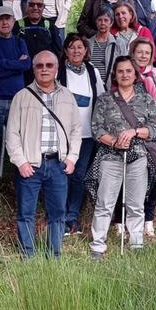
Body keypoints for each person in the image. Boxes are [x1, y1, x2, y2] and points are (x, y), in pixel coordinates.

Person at [6, 51, 81, 258]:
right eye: (40, 65)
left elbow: (76, 129)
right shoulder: (21, 97)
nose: (45, 69)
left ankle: (54, 255)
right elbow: (12, 133)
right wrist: (20, 162)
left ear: (57, 69)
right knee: (25, 213)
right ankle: (28, 255)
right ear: (34, 69)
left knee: (57, 214)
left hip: (58, 164)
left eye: (49, 65)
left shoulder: (67, 96)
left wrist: (72, 157)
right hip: (31, 164)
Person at [87, 56, 156, 256]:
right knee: (104, 203)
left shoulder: (146, 98)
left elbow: (155, 129)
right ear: (115, 75)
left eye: (129, 71)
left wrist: (134, 132)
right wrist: (113, 141)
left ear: (135, 74)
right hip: (110, 157)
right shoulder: (105, 99)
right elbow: (96, 129)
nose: (125, 75)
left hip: (137, 157)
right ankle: (98, 246)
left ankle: (136, 243)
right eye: (120, 71)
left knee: (136, 204)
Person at [0, 6, 32, 192]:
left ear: (13, 21)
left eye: (8, 18)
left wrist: (1, 63)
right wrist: (14, 64)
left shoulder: (20, 42)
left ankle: (21, 184)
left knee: (20, 144)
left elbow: (26, 65)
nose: (4, 22)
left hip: (17, 100)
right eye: (0, 19)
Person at [58, 34, 105, 235]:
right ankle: (58, 215)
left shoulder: (92, 71)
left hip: (86, 134)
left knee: (78, 175)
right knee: (61, 173)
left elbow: (102, 98)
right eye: (72, 47)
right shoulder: (58, 71)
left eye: (80, 47)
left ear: (86, 50)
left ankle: (72, 217)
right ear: (66, 51)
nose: (76, 51)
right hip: (62, 133)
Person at [130, 37, 156, 236]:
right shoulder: (125, 73)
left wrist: (154, 113)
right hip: (130, 132)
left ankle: (148, 219)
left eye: (147, 52)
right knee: (128, 177)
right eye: (139, 52)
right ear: (133, 53)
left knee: (152, 177)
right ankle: (122, 220)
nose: (143, 56)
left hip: (153, 133)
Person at [21, 0, 59, 85]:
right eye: (31, 4)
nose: (35, 8)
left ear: (43, 7)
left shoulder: (50, 26)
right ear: (26, 5)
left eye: (39, 5)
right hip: (23, 76)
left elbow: (58, 52)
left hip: (44, 75)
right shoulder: (17, 26)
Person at [87, 7, 129, 88]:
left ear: (111, 22)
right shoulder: (88, 43)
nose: (102, 23)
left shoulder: (119, 43)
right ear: (96, 22)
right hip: (91, 87)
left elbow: (125, 66)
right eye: (99, 20)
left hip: (112, 88)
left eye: (106, 20)